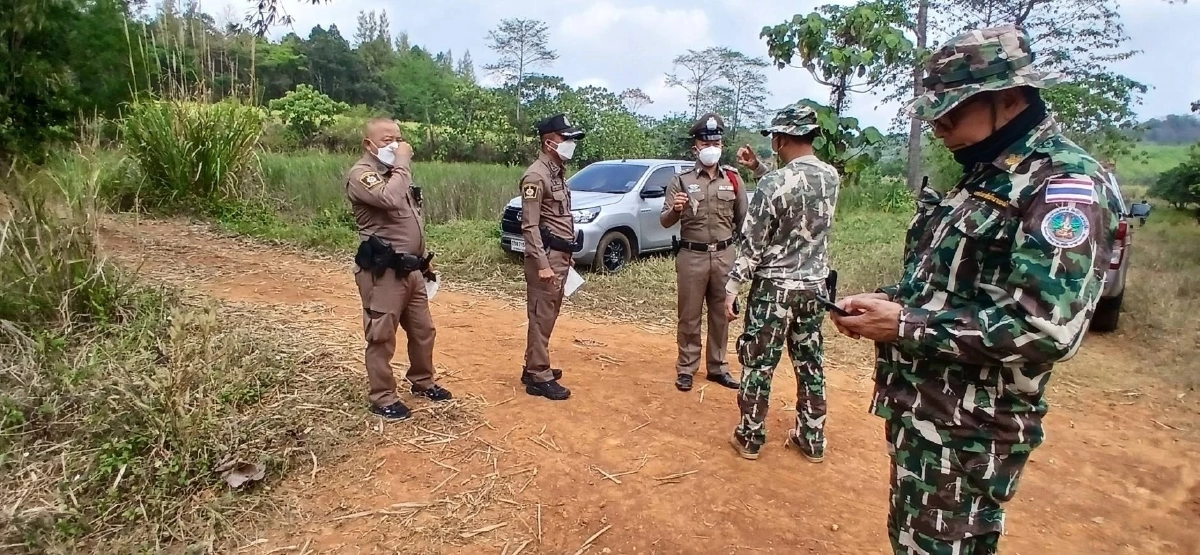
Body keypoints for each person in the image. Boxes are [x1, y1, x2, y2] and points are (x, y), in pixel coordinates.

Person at [830, 25, 1120, 554]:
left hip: (971, 429)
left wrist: (903, 324)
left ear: (1007, 99)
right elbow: (950, 283)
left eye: (953, 112)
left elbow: (1044, 328)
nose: (939, 126)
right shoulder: (987, 174)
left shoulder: (1062, 186)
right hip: (929, 413)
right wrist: (891, 301)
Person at [722, 103, 841, 462]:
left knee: (759, 363)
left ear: (782, 138)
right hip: (814, 288)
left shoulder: (775, 183)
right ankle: (812, 438)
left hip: (774, 289)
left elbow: (752, 241)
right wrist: (759, 169)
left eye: (775, 136)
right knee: (810, 363)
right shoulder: (831, 177)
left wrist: (732, 287)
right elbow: (796, 188)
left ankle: (751, 437)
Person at [346, 117, 452, 420]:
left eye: (398, 139)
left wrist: (423, 264)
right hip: (384, 274)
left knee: (423, 331)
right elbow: (389, 199)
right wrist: (403, 161)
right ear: (369, 144)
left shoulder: (396, 174)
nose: (394, 145)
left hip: (412, 271)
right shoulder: (362, 174)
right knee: (382, 336)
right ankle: (382, 397)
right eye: (386, 140)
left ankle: (423, 381)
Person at [659, 113, 747, 393]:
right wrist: (676, 209)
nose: (711, 146)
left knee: (722, 313)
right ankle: (686, 367)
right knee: (689, 314)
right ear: (695, 146)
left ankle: (718, 367)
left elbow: (744, 221)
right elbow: (665, 220)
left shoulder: (732, 179)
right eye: (705, 141)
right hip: (692, 255)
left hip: (725, 255)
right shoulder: (681, 180)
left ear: (722, 145)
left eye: (717, 141)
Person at [519, 113, 585, 401]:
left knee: (548, 313)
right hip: (544, 257)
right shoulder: (536, 175)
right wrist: (543, 264)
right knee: (541, 313)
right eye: (565, 138)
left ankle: (533, 364)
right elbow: (529, 225)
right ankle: (538, 375)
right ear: (549, 142)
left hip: (559, 254)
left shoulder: (557, 172)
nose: (570, 143)